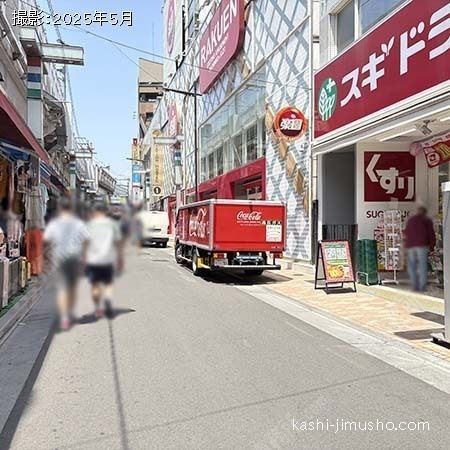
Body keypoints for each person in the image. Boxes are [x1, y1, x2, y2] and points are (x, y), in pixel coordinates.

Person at [43, 198, 85, 330]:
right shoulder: (79, 223)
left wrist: (47, 260)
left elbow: (47, 242)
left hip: (58, 259)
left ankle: (64, 318)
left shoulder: (54, 224)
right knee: (72, 288)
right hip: (74, 259)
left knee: (62, 288)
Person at [83, 202, 124, 319]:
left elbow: (85, 243)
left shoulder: (89, 225)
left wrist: (84, 258)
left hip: (93, 260)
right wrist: (120, 258)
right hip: (108, 259)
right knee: (108, 284)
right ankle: (108, 301)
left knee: (95, 285)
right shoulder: (112, 224)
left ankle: (97, 309)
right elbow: (118, 242)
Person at [404, 206, 436, 292]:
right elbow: (431, 234)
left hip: (411, 246)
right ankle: (422, 286)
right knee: (422, 266)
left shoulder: (411, 220)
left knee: (412, 266)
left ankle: (414, 286)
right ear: (425, 213)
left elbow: (406, 232)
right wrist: (432, 247)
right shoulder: (427, 220)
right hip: (422, 245)